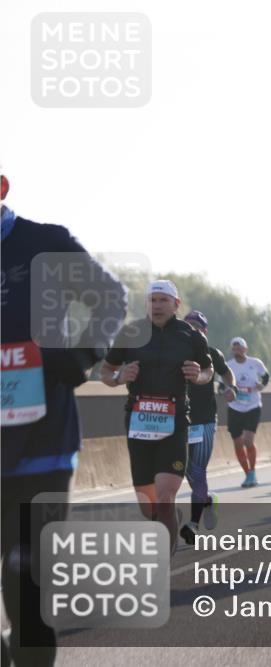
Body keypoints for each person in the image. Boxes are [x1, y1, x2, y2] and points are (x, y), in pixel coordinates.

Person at [1, 168, 127, 667]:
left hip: (41, 446)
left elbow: (110, 299)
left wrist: (79, 355)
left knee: (22, 578)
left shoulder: (45, 244)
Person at [101, 280, 215, 554]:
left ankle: (162, 563)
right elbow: (106, 371)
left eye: (163, 300)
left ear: (176, 304)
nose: (157, 305)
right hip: (138, 422)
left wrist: (197, 375)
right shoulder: (131, 332)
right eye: (152, 300)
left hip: (174, 421)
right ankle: (168, 520)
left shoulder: (191, 336)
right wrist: (118, 378)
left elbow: (209, 371)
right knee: (148, 505)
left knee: (165, 497)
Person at [178, 310, 235, 545]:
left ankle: (192, 524)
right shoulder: (175, 353)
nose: (191, 329)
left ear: (205, 330)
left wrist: (231, 387)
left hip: (204, 420)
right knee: (186, 471)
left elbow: (226, 373)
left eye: (196, 326)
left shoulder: (212, 354)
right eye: (187, 325)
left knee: (197, 470)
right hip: (179, 420)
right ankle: (207, 499)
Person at [226, 337, 270, 487]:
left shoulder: (255, 363)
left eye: (240, 348)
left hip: (252, 406)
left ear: (245, 349)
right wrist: (225, 391)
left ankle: (253, 470)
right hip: (235, 407)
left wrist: (261, 385)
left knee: (248, 440)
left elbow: (266, 377)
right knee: (238, 443)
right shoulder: (228, 366)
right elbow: (220, 385)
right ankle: (248, 474)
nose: (237, 350)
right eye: (234, 348)